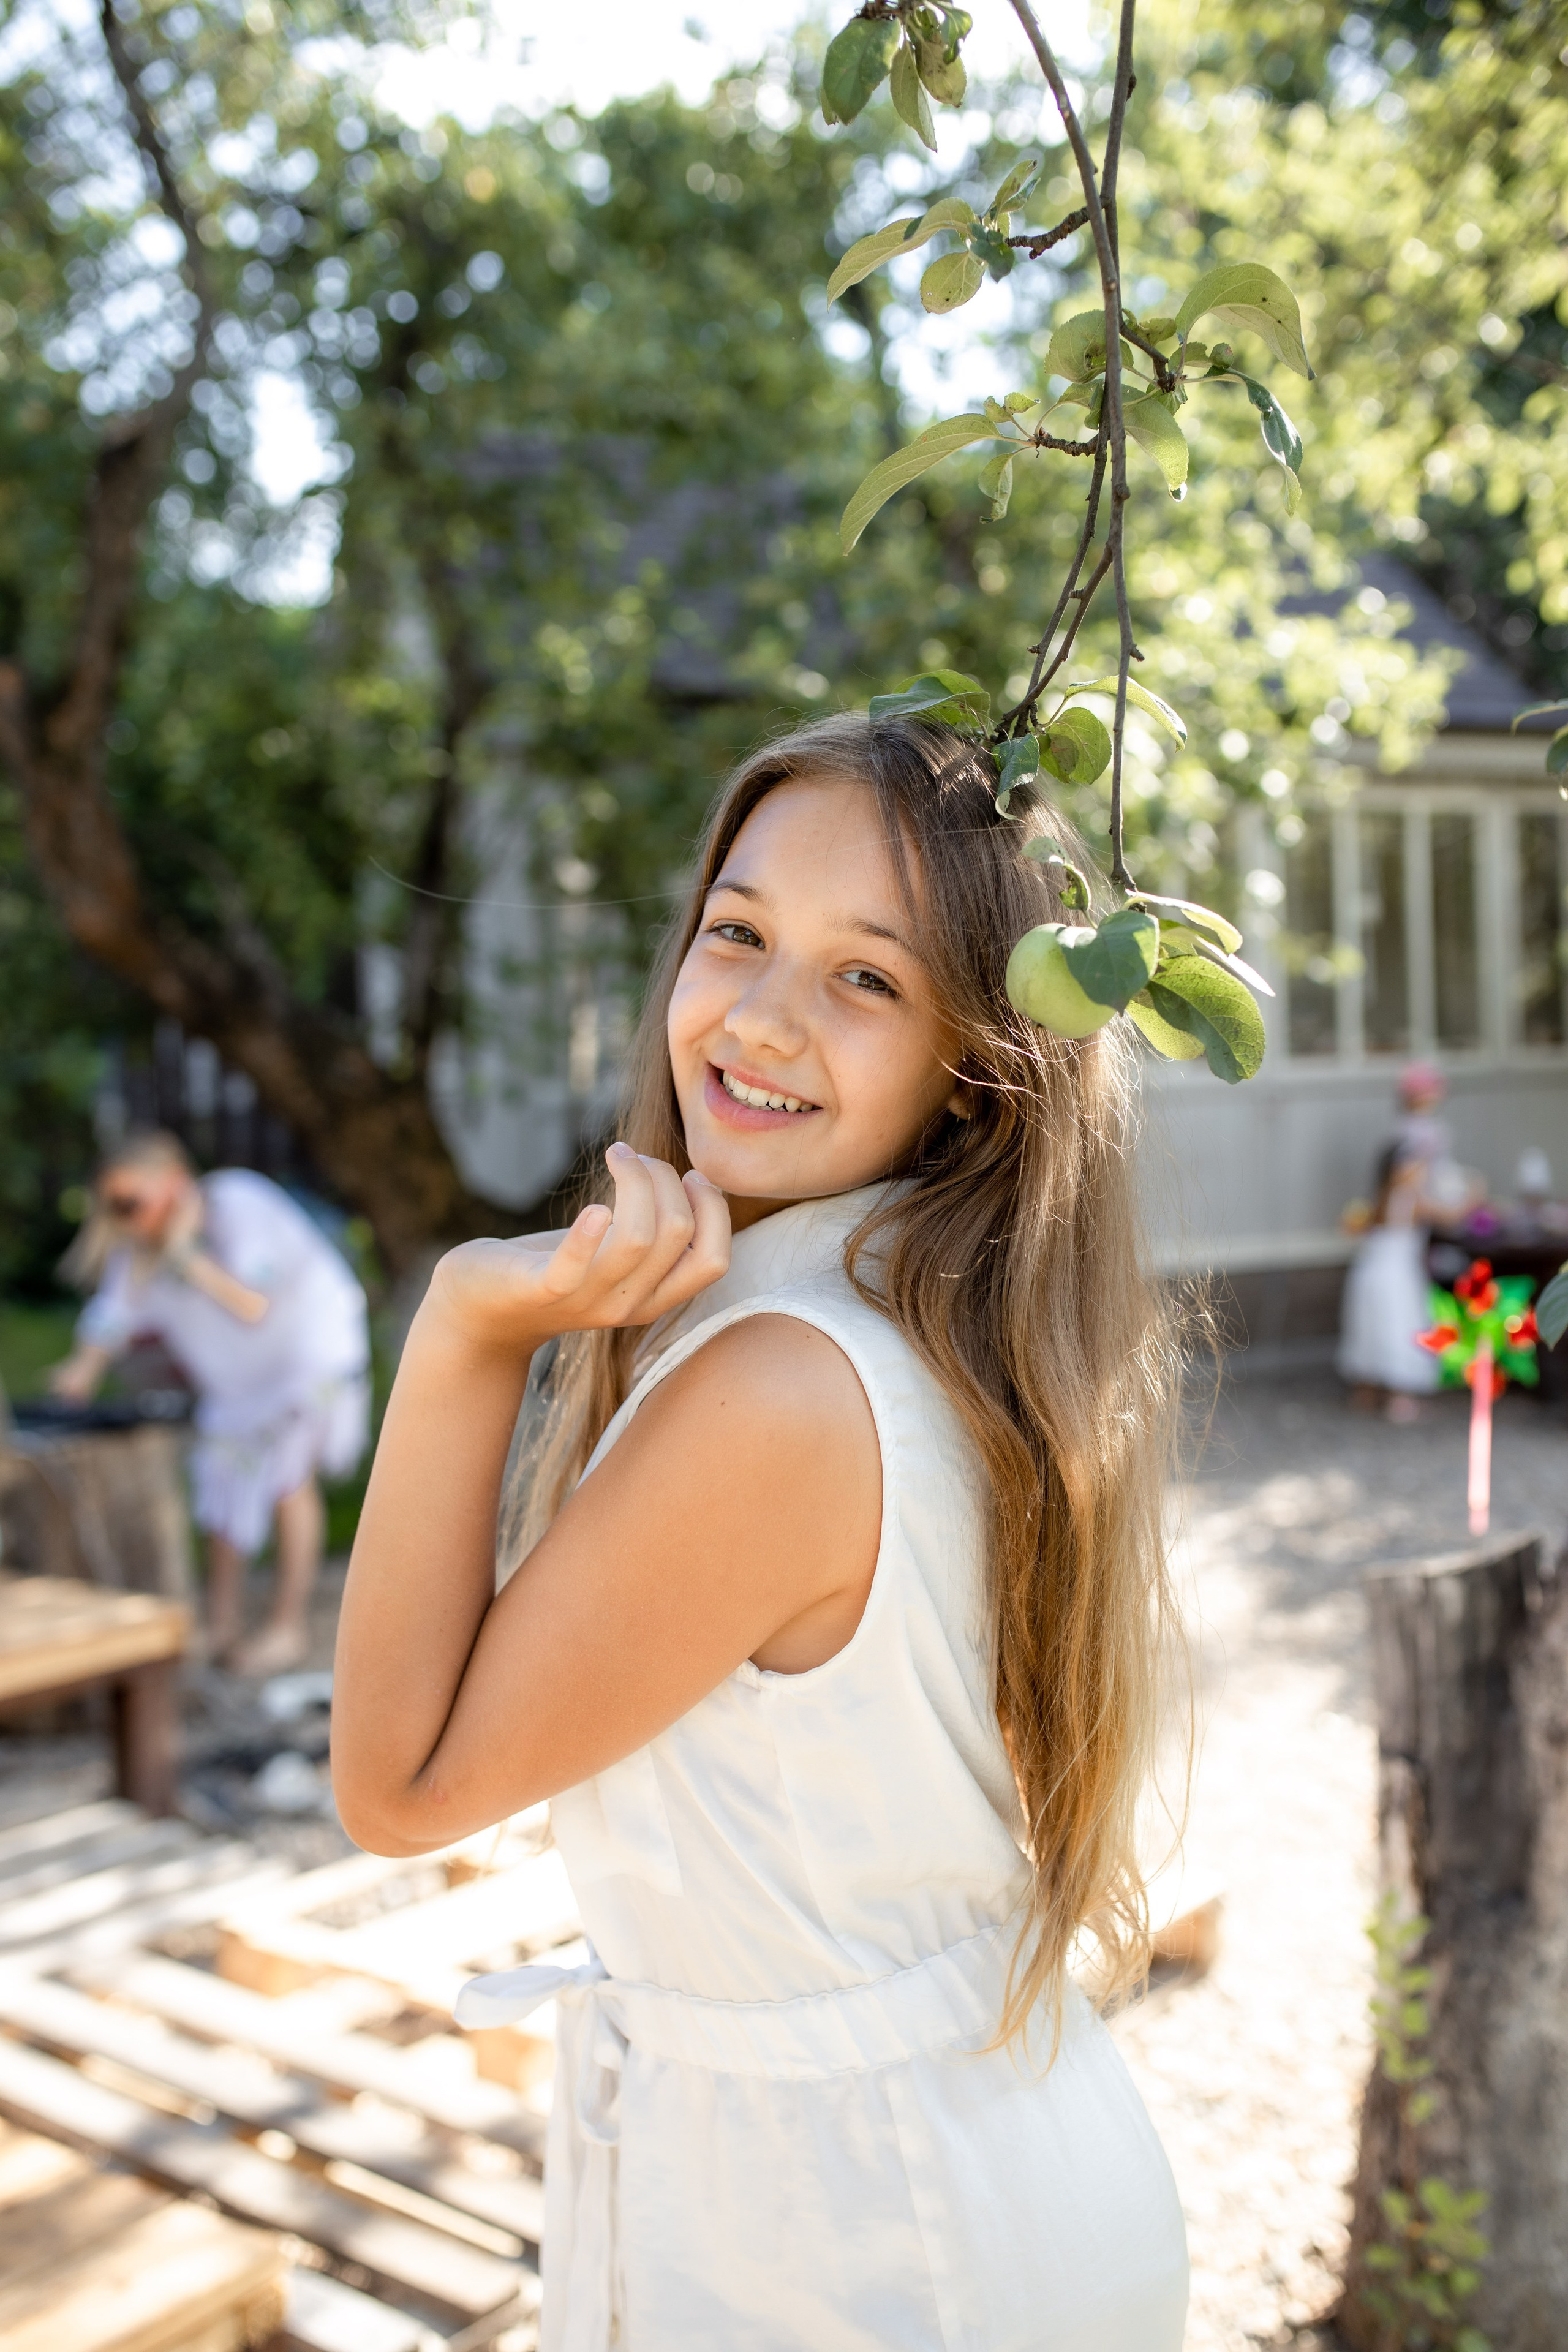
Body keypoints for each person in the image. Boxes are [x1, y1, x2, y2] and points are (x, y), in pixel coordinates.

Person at [332, 715, 1190, 2350]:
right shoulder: (921, 1327)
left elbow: (401, 1781)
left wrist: (462, 1327)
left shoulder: (786, 1388)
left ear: (975, 1065)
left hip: (863, 2248)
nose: (760, 1017)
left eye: (866, 976)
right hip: (935, 2173)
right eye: (737, 932)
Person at [52, 1131, 370, 1674]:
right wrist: (80, 1372)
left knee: (289, 1479)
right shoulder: (139, 1249)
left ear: (174, 1184)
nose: (123, 1218)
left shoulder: (238, 1205)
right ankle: (220, 1625)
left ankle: (287, 1629)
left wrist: (186, 1257)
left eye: (130, 1203)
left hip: (309, 1361)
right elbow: (111, 1315)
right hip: (240, 1386)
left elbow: (252, 1305)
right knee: (223, 1489)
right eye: (113, 1207)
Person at [1337, 1062, 1476, 1422]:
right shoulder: (1410, 1197)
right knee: (1400, 1326)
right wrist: (1473, 1196)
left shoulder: (1381, 1198)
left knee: (1372, 1328)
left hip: (1369, 1269)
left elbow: (1358, 1225)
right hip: (1396, 1273)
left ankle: (1367, 1390)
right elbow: (1449, 1215)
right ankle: (1400, 1397)